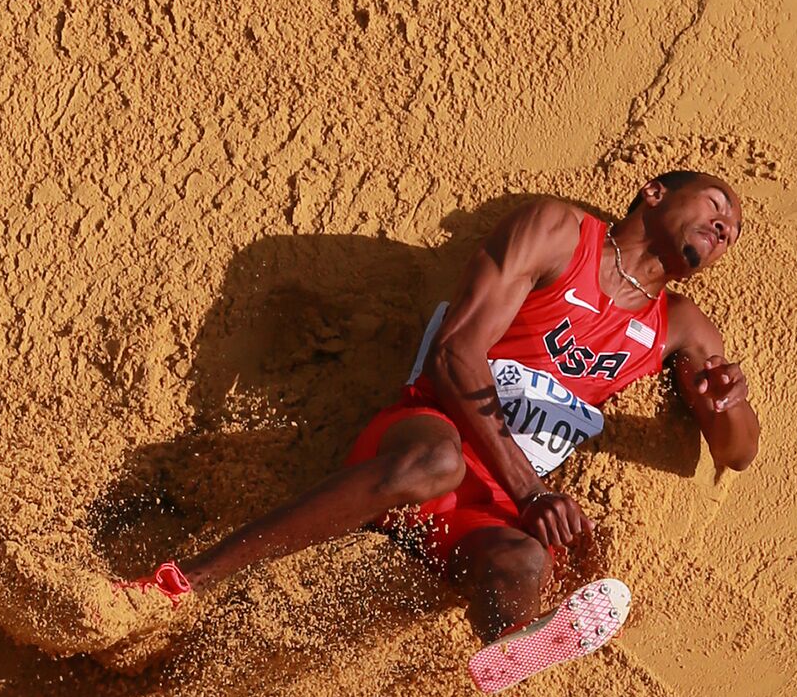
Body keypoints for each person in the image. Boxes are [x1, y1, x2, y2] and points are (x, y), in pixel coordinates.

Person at [110, 170, 760, 657]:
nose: (725, 226)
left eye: (732, 232)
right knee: (438, 459)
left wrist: (724, 406)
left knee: (524, 562)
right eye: (715, 205)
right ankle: (180, 580)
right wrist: (531, 490)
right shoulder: (562, 234)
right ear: (653, 192)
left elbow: (737, 451)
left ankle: (512, 652)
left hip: (493, 504)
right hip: (429, 436)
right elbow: (454, 355)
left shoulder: (676, 325)